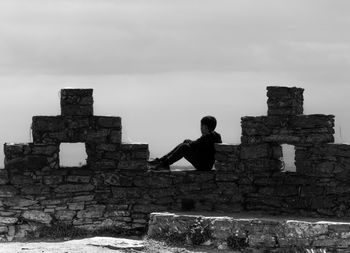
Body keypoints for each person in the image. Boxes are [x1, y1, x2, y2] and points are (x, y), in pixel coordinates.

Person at [148, 116, 222, 171]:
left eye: (201, 126)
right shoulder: (214, 136)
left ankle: (164, 164)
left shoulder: (208, 137)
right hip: (205, 163)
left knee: (184, 147)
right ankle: (162, 161)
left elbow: (194, 144)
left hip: (203, 166)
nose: (200, 128)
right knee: (185, 144)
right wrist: (188, 141)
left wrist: (188, 142)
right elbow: (198, 143)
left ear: (205, 127)